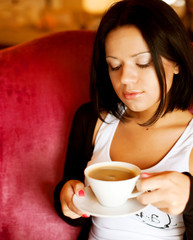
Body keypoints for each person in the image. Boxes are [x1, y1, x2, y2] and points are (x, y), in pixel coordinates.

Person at [54, 0, 193, 239]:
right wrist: (66, 199)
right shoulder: (92, 121)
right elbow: (73, 199)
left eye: (143, 62)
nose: (126, 79)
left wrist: (190, 199)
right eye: (114, 66)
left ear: (177, 61)